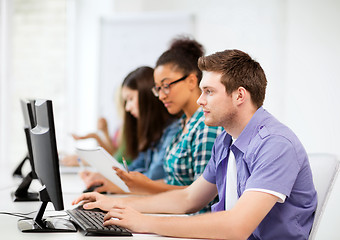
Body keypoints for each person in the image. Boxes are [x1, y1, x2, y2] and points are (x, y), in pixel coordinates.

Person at [72, 49, 317, 239]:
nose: (200, 100)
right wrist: (116, 204)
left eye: (209, 91)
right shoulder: (226, 138)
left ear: (240, 95)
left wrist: (145, 222)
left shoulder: (275, 145)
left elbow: (236, 227)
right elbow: (189, 198)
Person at [109, 36, 223, 197]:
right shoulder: (182, 125)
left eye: (166, 86)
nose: (161, 96)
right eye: (158, 89)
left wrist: (146, 185)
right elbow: (172, 182)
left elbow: (202, 196)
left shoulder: (207, 126)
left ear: (191, 81)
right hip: (172, 211)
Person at [78, 66, 181, 193]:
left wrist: (115, 184)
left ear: (147, 97)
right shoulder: (153, 133)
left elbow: (153, 177)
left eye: (130, 99)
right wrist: (106, 177)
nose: (127, 108)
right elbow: (135, 167)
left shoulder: (173, 130)